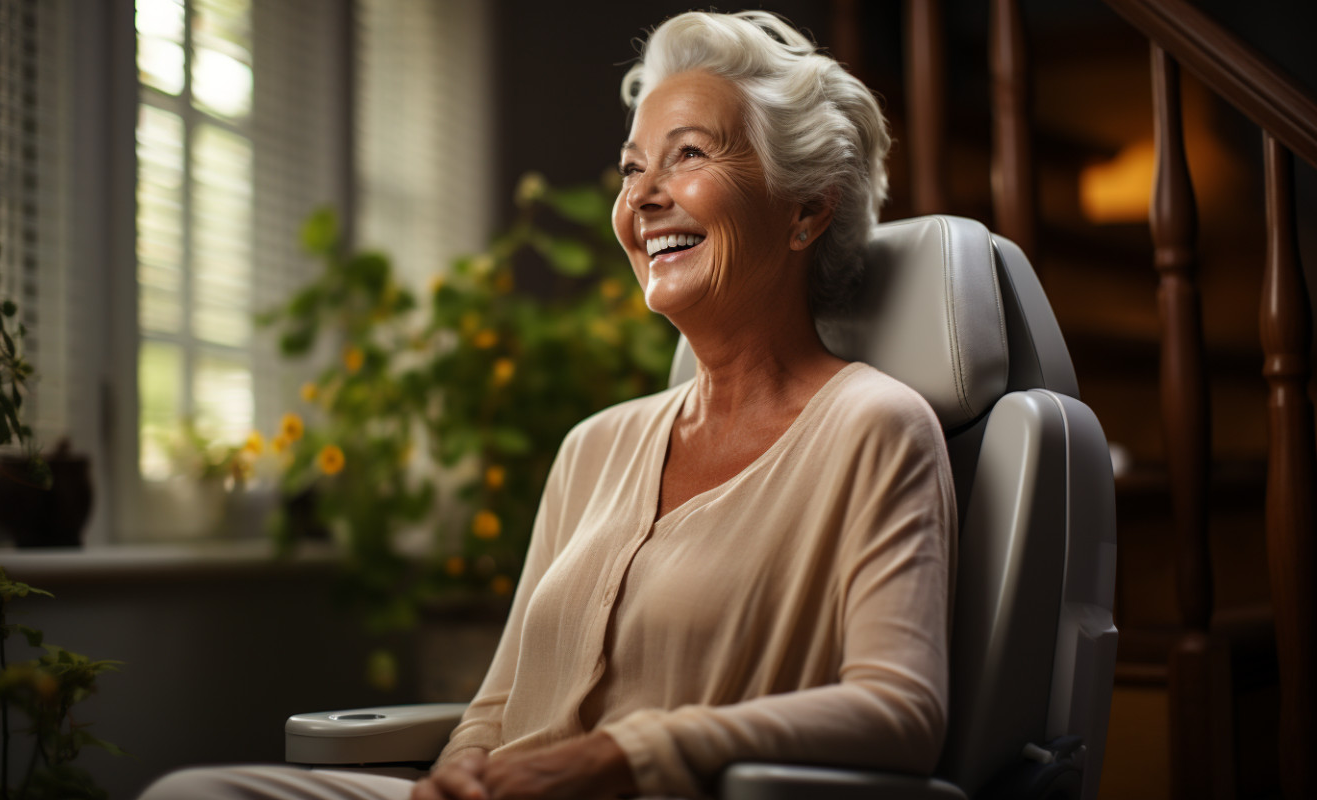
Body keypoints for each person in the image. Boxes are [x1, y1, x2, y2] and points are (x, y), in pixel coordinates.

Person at [140, 10, 953, 800]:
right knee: (194, 791)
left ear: (808, 208)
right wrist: (460, 768)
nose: (644, 198)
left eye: (689, 155)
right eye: (634, 168)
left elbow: (901, 709)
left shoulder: (875, 429)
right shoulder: (592, 448)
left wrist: (624, 758)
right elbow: (496, 707)